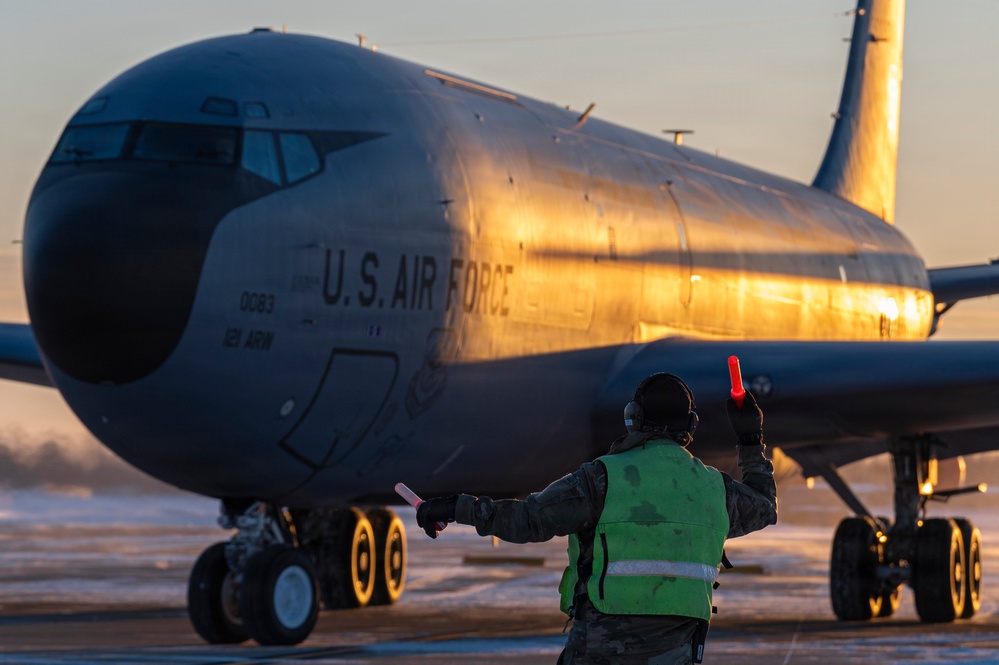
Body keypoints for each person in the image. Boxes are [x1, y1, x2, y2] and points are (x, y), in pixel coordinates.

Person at [417, 372, 778, 665]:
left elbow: (528, 520)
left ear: (633, 417)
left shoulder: (602, 479)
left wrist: (455, 508)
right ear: (690, 424)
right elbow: (764, 505)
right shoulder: (715, 489)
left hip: (601, 648)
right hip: (676, 652)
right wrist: (750, 438)